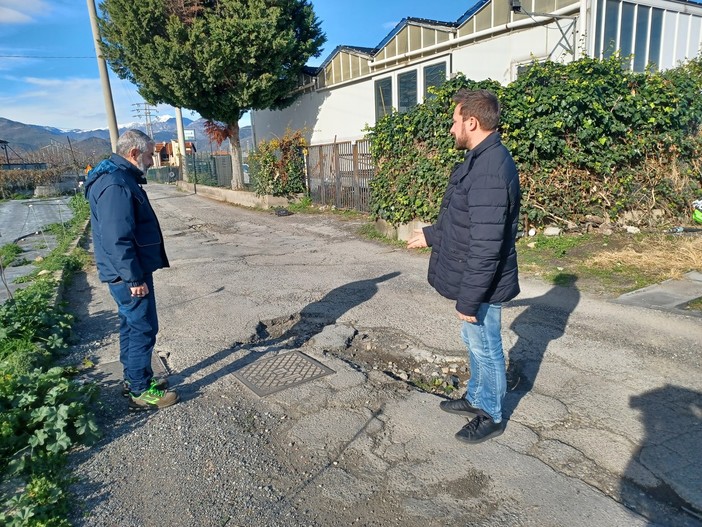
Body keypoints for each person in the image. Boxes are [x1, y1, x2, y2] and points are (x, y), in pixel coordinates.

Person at [407, 89, 520, 443]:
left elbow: (486, 247)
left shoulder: (489, 170)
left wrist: (469, 300)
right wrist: (430, 235)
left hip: (482, 285)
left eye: (455, 121)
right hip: (476, 281)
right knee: (475, 345)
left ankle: (492, 415)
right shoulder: (481, 160)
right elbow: (466, 223)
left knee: (487, 349)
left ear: (471, 122)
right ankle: (476, 398)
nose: (452, 128)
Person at [85, 129, 179, 411]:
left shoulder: (119, 177)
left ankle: (135, 379)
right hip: (127, 274)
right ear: (134, 153)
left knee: (131, 325)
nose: (153, 160)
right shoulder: (116, 184)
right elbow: (117, 237)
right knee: (143, 327)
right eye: (151, 154)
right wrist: (134, 277)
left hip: (126, 271)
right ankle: (140, 389)